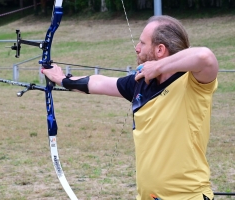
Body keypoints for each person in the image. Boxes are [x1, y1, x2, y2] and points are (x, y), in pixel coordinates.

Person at [42, 15, 218, 200]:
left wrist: (157, 67)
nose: (137, 48)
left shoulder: (193, 83)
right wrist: (62, 79)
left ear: (160, 50)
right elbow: (99, 83)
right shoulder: (141, 84)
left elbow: (204, 56)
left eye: (142, 43)